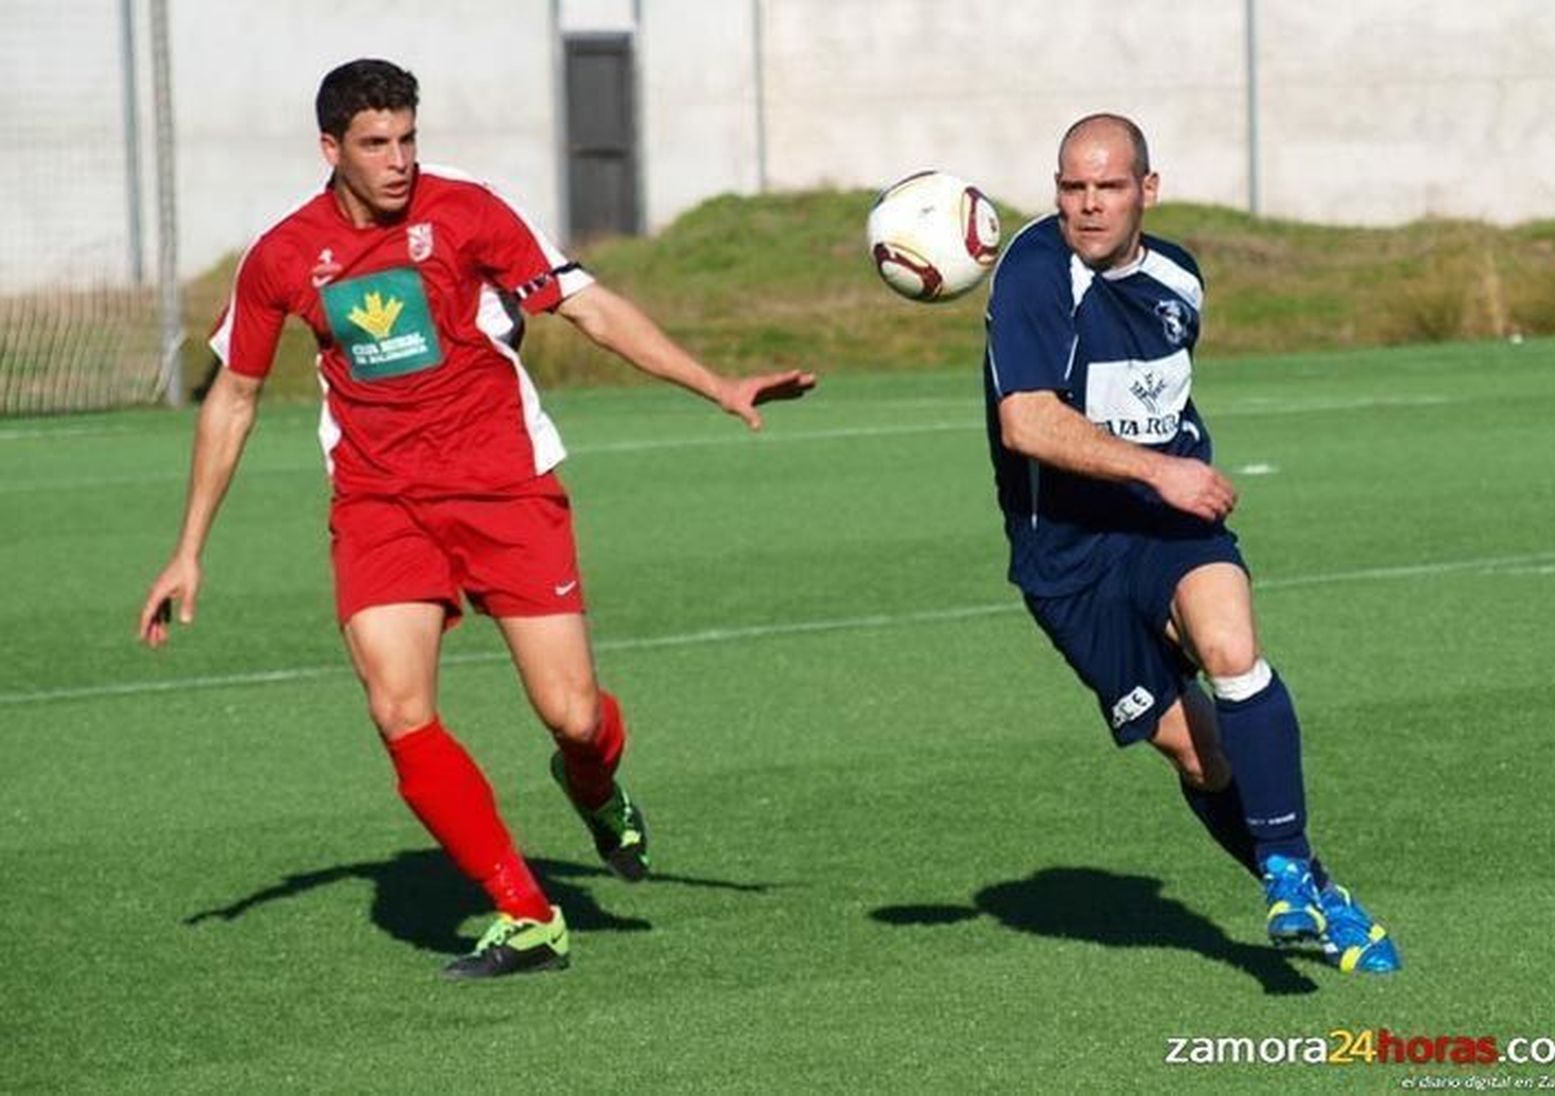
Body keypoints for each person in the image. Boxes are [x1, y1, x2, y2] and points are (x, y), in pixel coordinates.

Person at [136, 58, 814, 980]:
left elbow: (589, 308)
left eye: (408, 138)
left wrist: (715, 383)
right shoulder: (284, 256)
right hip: (380, 505)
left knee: (573, 716)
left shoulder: (469, 213)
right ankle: (526, 912)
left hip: (503, 487)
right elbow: (234, 398)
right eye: (376, 144)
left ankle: (594, 785)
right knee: (398, 706)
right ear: (330, 149)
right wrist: (188, 551)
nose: (399, 160)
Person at [981, 113, 1398, 974]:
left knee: (1231, 646)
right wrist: (1155, 467)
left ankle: (1283, 866)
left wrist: (1169, 481)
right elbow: (1024, 423)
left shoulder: (1181, 279)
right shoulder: (1033, 271)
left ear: (1148, 190)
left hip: (1168, 527)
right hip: (1065, 559)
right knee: (1198, 754)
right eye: (1071, 187)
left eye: (1108, 187)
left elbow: (1161, 395)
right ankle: (1320, 890)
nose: (1088, 205)